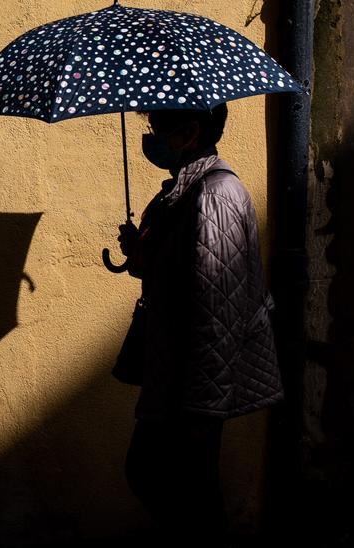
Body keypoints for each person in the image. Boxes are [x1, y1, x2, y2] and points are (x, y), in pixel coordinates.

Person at [116, 103, 285, 546]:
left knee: (164, 479)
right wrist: (143, 253)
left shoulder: (215, 196)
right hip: (178, 376)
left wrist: (203, 406)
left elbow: (218, 309)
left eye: (157, 126)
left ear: (189, 131)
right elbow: (183, 276)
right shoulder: (186, 192)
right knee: (184, 489)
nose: (149, 136)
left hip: (193, 385)